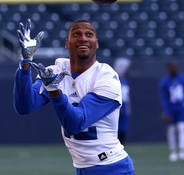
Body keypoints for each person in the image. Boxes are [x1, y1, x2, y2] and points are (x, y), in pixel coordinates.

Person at [13, 19, 134, 174]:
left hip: (111, 167)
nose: (83, 38)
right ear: (66, 43)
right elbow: (25, 106)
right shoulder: (56, 71)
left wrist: (54, 90)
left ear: (96, 43)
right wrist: (25, 64)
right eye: (76, 34)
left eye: (89, 34)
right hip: (83, 168)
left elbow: (75, 123)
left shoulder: (106, 77)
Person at [159, 61, 184, 162]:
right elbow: (164, 98)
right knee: (171, 130)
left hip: (182, 107)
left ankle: (182, 150)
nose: (173, 69)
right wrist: (166, 111)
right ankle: (173, 151)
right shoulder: (165, 81)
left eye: (175, 67)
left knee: (182, 128)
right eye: (171, 67)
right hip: (171, 108)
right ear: (168, 68)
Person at [113, 57, 132, 144]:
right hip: (118, 111)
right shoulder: (115, 80)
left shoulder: (124, 80)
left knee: (123, 134)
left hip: (124, 112)